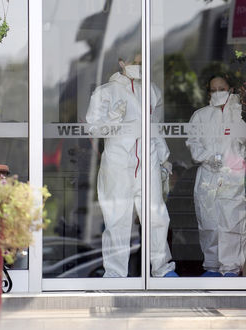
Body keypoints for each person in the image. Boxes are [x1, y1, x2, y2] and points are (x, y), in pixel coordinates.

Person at [86, 55, 178, 278]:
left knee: (156, 215)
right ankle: (116, 275)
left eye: (142, 61)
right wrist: (113, 119)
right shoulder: (105, 92)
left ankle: (162, 269)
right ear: (121, 62)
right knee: (117, 217)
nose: (139, 66)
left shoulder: (152, 91)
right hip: (118, 162)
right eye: (134, 61)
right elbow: (93, 129)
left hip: (148, 159)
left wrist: (164, 159)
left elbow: (155, 128)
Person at [185, 75, 246, 277]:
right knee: (209, 223)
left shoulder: (240, 113)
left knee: (232, 223)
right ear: (208, 92)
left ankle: (231, 268)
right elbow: (193, 143)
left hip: (233, 176)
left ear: (230, 89)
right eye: (214, 89)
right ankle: (212, 267)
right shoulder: (200, 116)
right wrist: (207, 157)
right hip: (207, 175)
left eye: (222, 88)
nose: (218, 92)